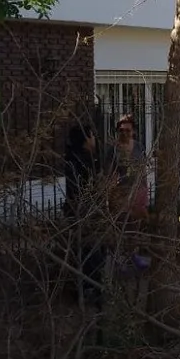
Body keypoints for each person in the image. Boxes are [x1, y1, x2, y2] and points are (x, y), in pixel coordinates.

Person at [63, 122, 105, 307]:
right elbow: (81, 190)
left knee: (91, 252)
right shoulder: (81, 161)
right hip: (85, 214)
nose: (95, 139)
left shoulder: (84, 158)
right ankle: (91, 289)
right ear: (86, 139)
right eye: (92, 136)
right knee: (91, 252)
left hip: (86, 212)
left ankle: (91, 287)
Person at [103, 115, 150, 271]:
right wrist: (111, 193)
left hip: (137, 190)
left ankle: (132, 255)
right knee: (120, 225)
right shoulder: (113, 149)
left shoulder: (138, 147)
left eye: (127, 130)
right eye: (121, 130)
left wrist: (144, 188)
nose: (124, 133)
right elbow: (108, 172)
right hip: (120, 192)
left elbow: (143, 168)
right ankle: (118, 258)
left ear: (133, 131)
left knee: (133, 226)